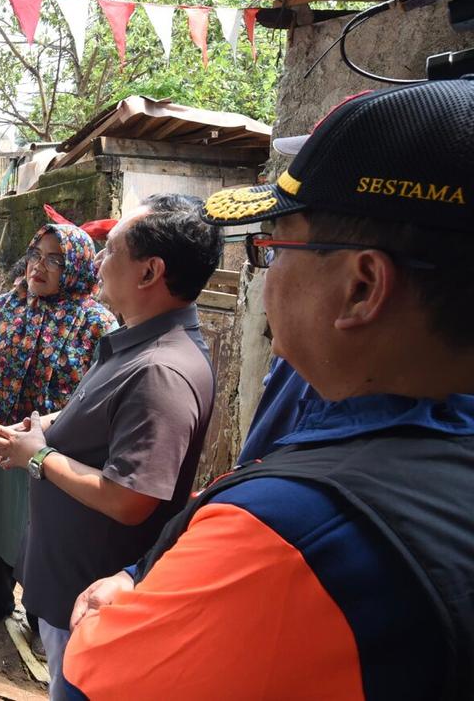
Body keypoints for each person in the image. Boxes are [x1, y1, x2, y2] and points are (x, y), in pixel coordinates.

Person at [59, 80, 474, 699]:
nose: (265, 279)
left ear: (361, 287)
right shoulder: (392, 423)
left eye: (271, 249)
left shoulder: (290, 535)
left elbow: (93, 681)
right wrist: (144, 568)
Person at [0, 194, 222, 697]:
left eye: (110, 250)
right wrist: (42, 426)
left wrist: (38, 456)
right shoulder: (136, 342)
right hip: (70, 577)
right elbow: (98, 416)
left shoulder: (160, 372)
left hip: (89, 597)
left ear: (149, 272)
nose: (99, 262)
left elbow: (129, 499)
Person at [0, 224, 116, 635]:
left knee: (46, 532)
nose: (39, 266)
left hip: (56, 453)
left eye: (55, 259)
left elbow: (102, 395)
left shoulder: (97, 323)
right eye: (36, 255)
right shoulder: (4, 308)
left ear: (76, 267)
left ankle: (43, 618)